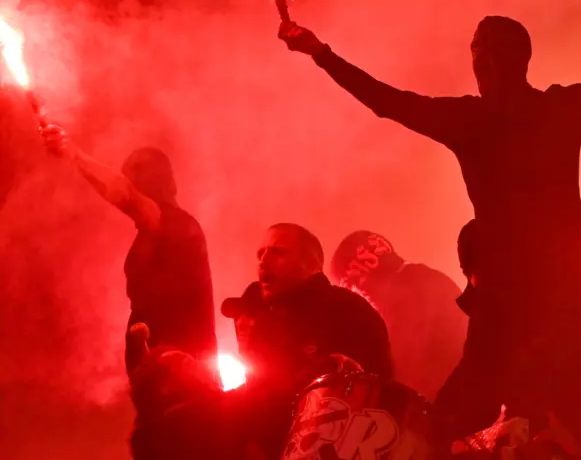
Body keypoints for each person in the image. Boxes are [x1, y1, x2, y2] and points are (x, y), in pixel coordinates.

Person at [281, 0, 581, 443]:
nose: (477, 60)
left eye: (482, 50)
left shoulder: (482, 118)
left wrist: (321, 53)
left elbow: (386, 100)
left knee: (460, 423)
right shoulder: (546, 111)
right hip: (547, 289)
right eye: (475, 50)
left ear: (509, 58)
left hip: (529, 294)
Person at [39, 125, 216, 377]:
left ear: (168, 179)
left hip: (186, 378)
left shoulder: (181, 224)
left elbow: (127, 197)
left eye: (144, 167)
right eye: (131, 170)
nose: (136, 175)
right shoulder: (150, 233)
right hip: (156, 376)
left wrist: (74, 154)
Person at [220, 223, 395, 458]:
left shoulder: (349, 311)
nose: (263, 261)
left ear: (311, 265)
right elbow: (257, 395)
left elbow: (370, 397)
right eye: (261, 254)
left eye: (277, 252)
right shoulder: (264, 319)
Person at [329, 230, 467, 400]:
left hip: (440, 405)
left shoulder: (409, 290)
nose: (358, 293)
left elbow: (408, 365)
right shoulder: (423, 278)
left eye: (353, 283)